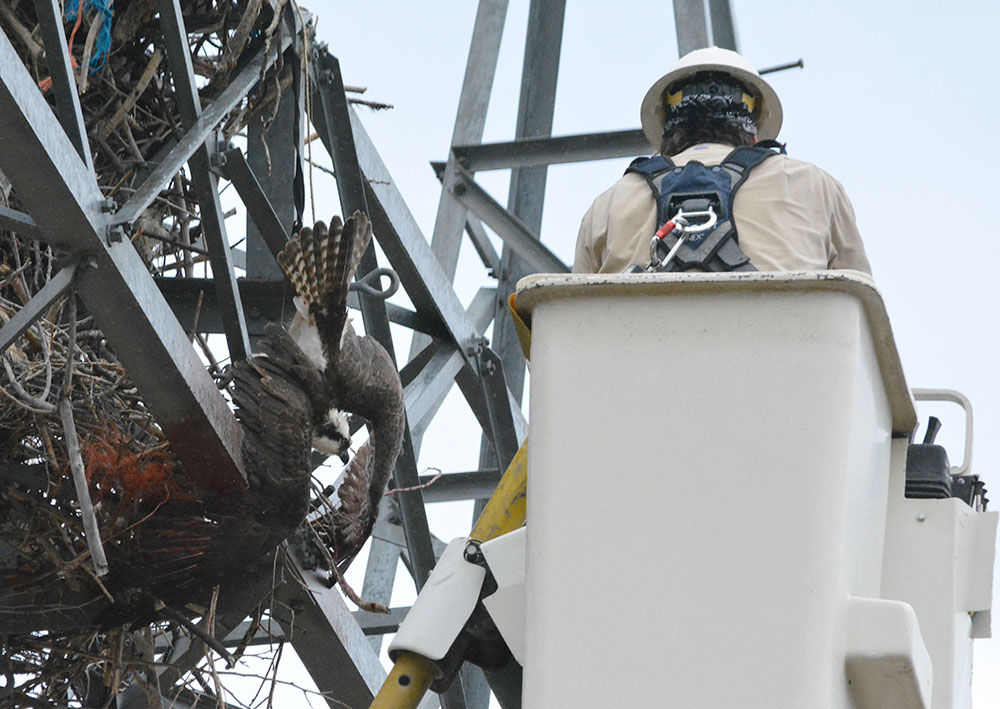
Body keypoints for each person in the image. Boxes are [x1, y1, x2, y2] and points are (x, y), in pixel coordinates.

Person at [573, 47, 871, 275]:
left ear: (665, 133)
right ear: (754, 134)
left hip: (639, 340)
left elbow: (572, 318)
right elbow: (860, 305)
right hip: (783, 338)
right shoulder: (815, 186)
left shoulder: (606, 206)